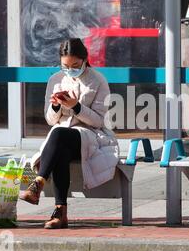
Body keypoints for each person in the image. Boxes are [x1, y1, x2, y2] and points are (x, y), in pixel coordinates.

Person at [19, 38, 119, 229]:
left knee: (58, 135)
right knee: (60, 148)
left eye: (75, 65)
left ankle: (38, 183)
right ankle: (60, 213)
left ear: (84, 60)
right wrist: (56, 105)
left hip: (89, 135)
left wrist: (76, 107)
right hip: (62, 138)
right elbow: (50, 120)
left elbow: (98, 121)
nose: (70, 69)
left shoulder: (98, 80)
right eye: (65, 65)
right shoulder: (56, 79)